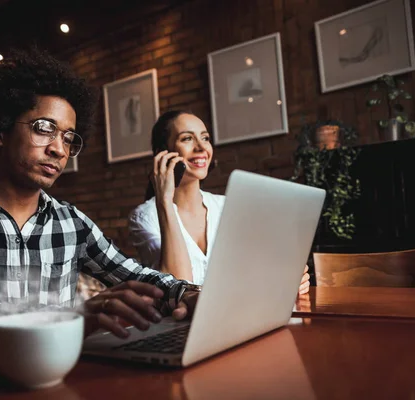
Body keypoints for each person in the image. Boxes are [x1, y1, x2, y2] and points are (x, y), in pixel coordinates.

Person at [0, 48, 198, 347]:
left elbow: (134, 275)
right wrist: (64, 320)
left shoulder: (70, 221)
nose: (59, 149)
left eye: (68, 137)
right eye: (44, 129)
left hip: (56, 381)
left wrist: (187, 294)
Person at [128, 110, 311, 293]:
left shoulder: (227, 206)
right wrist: (165, 202)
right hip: (178, 320)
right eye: (187, 139)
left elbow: (253, 271)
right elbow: (179, 287)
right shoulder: (146, 216)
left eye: (205, 138)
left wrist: (287, 277)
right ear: (163, 153)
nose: (201, 148)